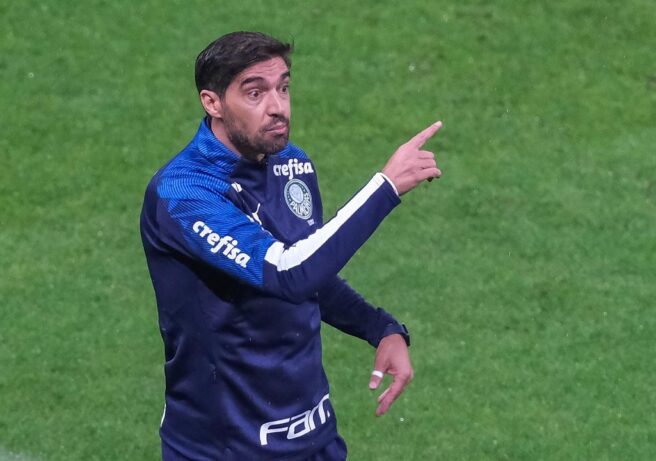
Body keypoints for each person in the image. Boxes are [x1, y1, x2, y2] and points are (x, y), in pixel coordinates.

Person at [140, 31, 441, 460]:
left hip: (314, 438)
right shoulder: (184, 193)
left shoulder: (291, 164)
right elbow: (287, 273)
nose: (277, 106)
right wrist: (385, 187)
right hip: (225, 449)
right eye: (255, 93)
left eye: (283, 88)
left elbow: (310, 273)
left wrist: (380, 328)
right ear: (212, 102)